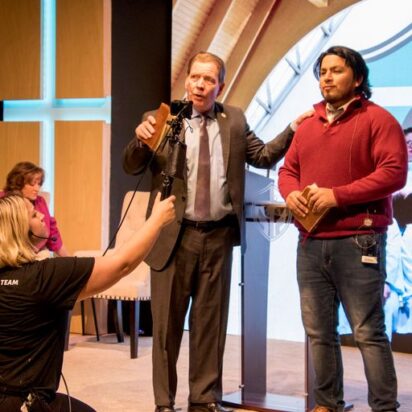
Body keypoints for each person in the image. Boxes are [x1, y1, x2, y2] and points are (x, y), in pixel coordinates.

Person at [123, 51, 309, 412]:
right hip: (172, 237)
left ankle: (204, 399)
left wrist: (292, 130)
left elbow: (265, 156)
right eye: (195, 77)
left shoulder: (234, 121)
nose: (199, 84)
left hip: (218, 237)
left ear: (220, 85)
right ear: (187, 80)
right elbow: (132, 165)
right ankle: (164, 403)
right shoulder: (163, 119)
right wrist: (140, 139)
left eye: (208, 79)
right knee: (166, 329)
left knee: (210, 325)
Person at [278, 46, 408, 412]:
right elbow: (288, 171)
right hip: (311, 241)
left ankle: (384, 407)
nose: (327, 78)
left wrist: (337, 196)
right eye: (322, 72)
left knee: (368, 333)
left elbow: (393, 174)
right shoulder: (307, 125)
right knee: (319, 333)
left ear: (358, 78)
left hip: (359, 240)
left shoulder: (379, 120)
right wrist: (290, 195)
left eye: (336, 71)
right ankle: (327, 404)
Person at [0, 193, 175, 412]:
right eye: (34, 214)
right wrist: (157, 219)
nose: (44, 216)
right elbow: (122, 264)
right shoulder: (45, 277)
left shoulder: (41, 280)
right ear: (20, 230)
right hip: (27, 403)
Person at [1, 161, 70, 257]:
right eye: (32, 184)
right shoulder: (5, 202)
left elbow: (53, 234)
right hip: (11, 254)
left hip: (37, 253)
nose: (37, 189)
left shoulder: (40, 202)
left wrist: (69, 259)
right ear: (18, 183)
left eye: (39, 184)